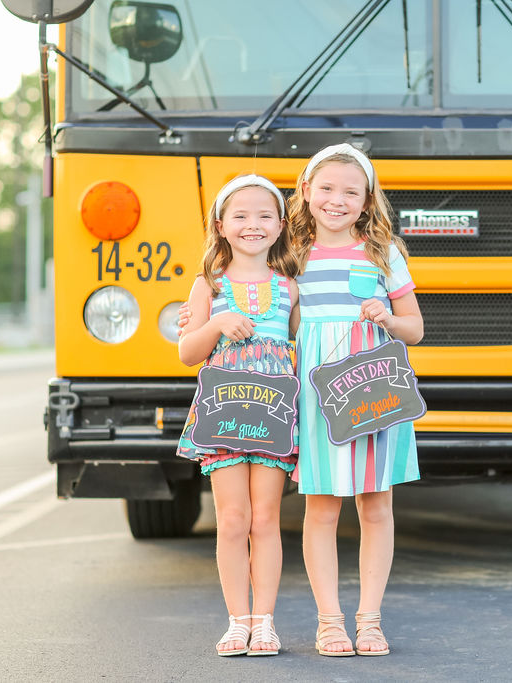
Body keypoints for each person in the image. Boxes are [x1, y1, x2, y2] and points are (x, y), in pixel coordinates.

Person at [288, 143, 423, 656]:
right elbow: (265, 306)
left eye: (351, 191)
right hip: (317, 393)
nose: (337, 200)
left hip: (373, 391)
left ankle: (370, 619)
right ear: (306, 192)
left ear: (367, 201)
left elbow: (415, 328)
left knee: (376, 505)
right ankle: (329, 620)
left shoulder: (382, 254)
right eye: (326, 188)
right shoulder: (292, 256)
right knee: (321, 507)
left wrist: (387, 318)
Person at [176, 174, 300, 657]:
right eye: (241, 216)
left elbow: (301, 345)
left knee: (266, 518)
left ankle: (265, 622)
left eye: (265, 215)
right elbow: (187, 352)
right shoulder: (207, 285)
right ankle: (237, 621)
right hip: (224, 411)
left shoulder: (290, 287)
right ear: (221, 226)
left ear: (281, 224)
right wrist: (216, 324)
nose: (254, 225)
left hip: (271, 412)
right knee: (231, 519)